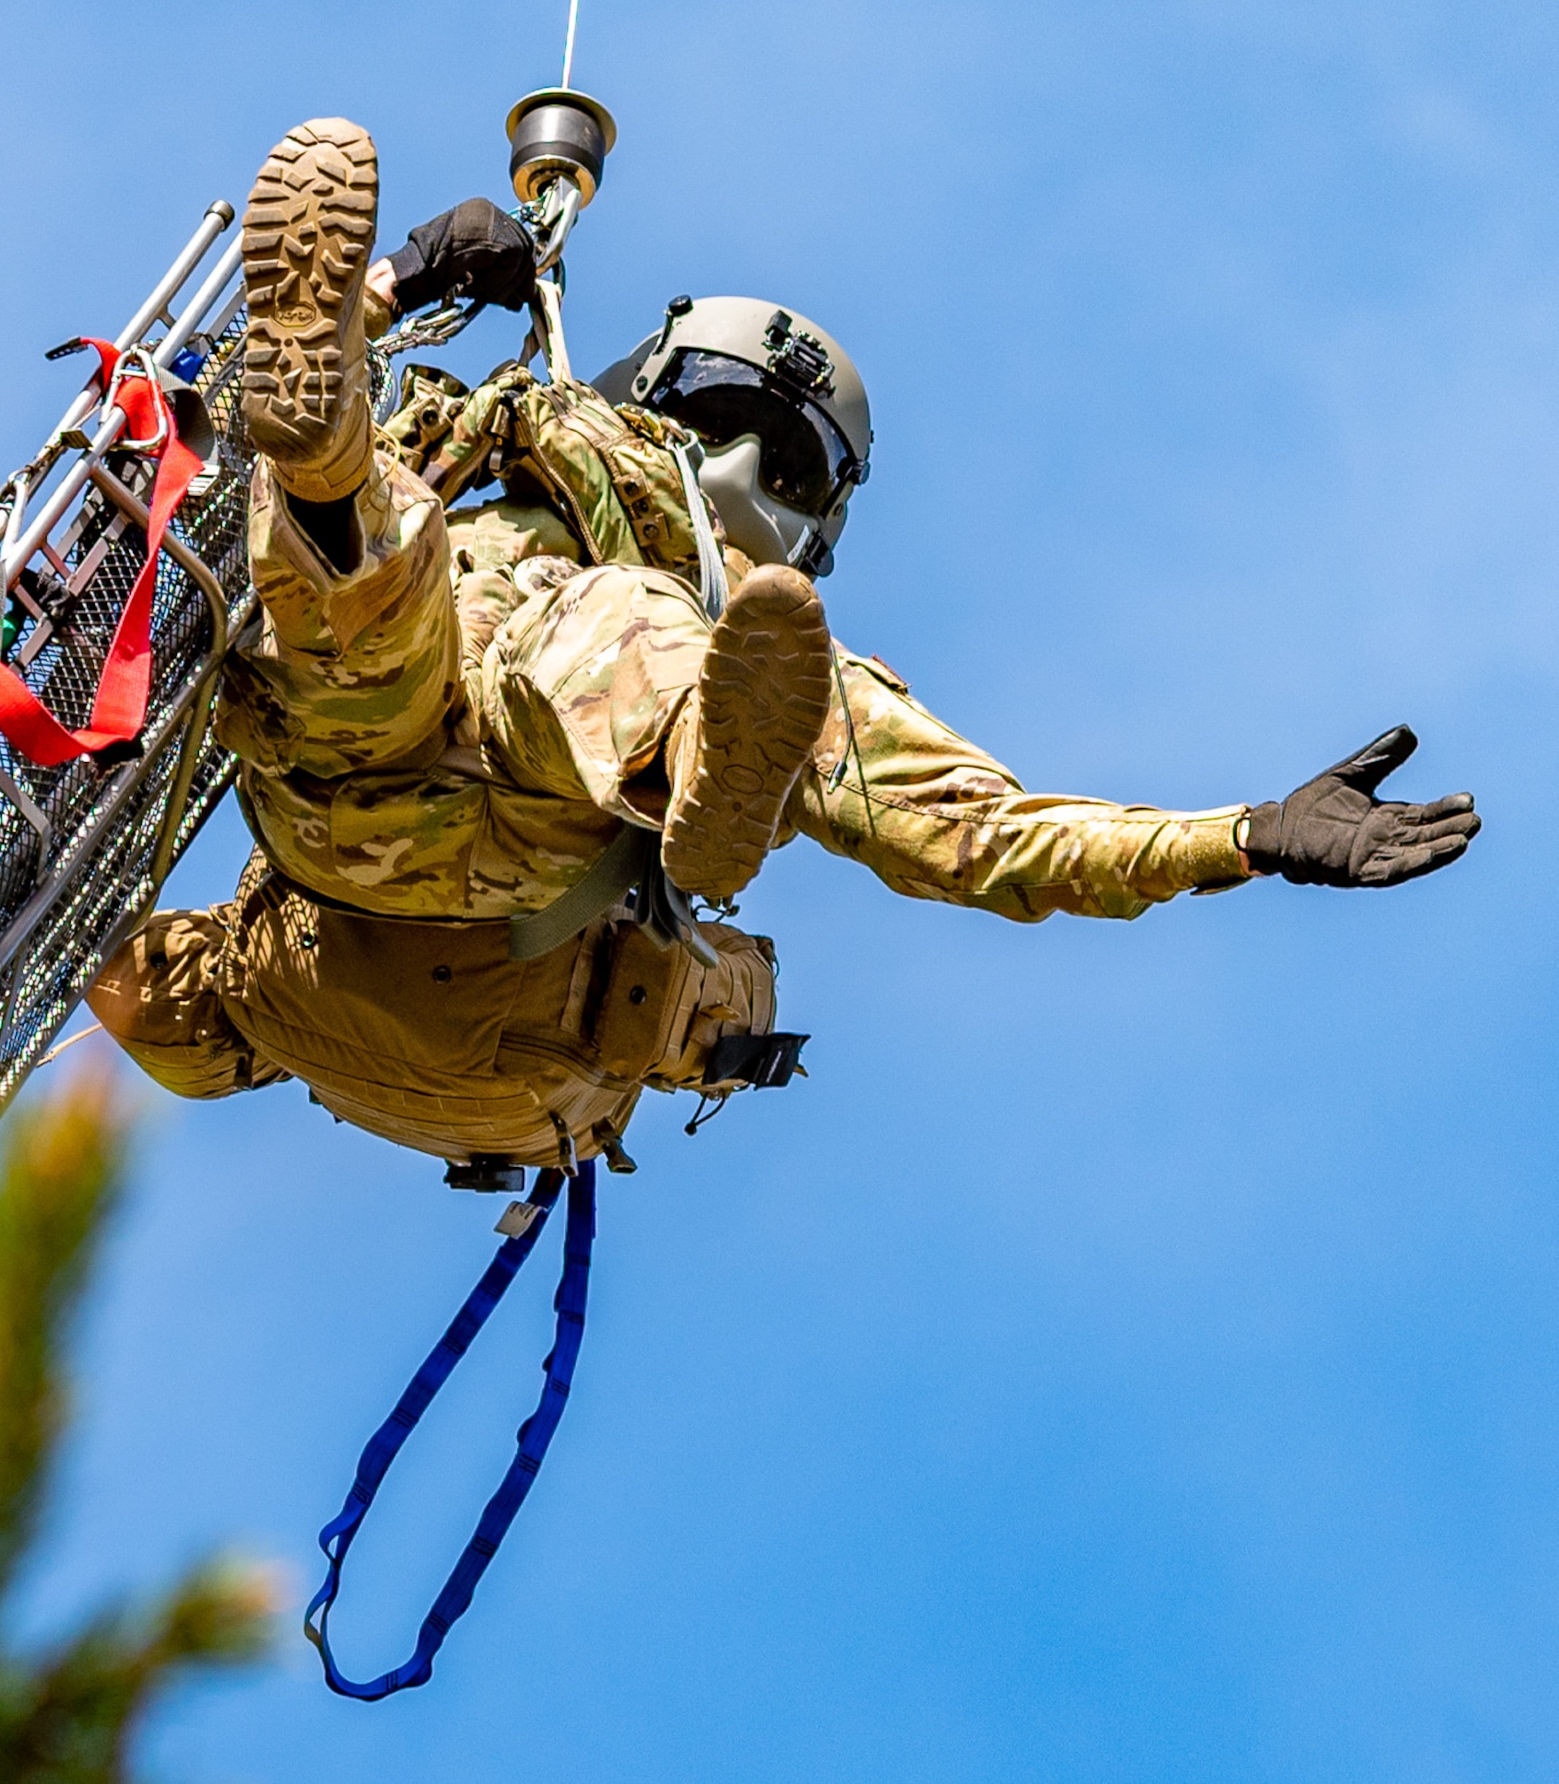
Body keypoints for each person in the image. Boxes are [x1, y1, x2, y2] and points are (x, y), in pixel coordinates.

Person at [87, 118, 1480, 1184]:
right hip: (349, 882)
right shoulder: (494, 457)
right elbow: (195, 459)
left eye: (794, 453)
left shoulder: (749, 629)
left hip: (509, 926)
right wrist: (395, 285)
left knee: (598, 623)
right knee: (343, 555)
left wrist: (1235, 835)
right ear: (644, 386)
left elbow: (979, 835)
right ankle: (336, 495)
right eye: (716, 404)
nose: (745, 455)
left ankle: (688, 775)